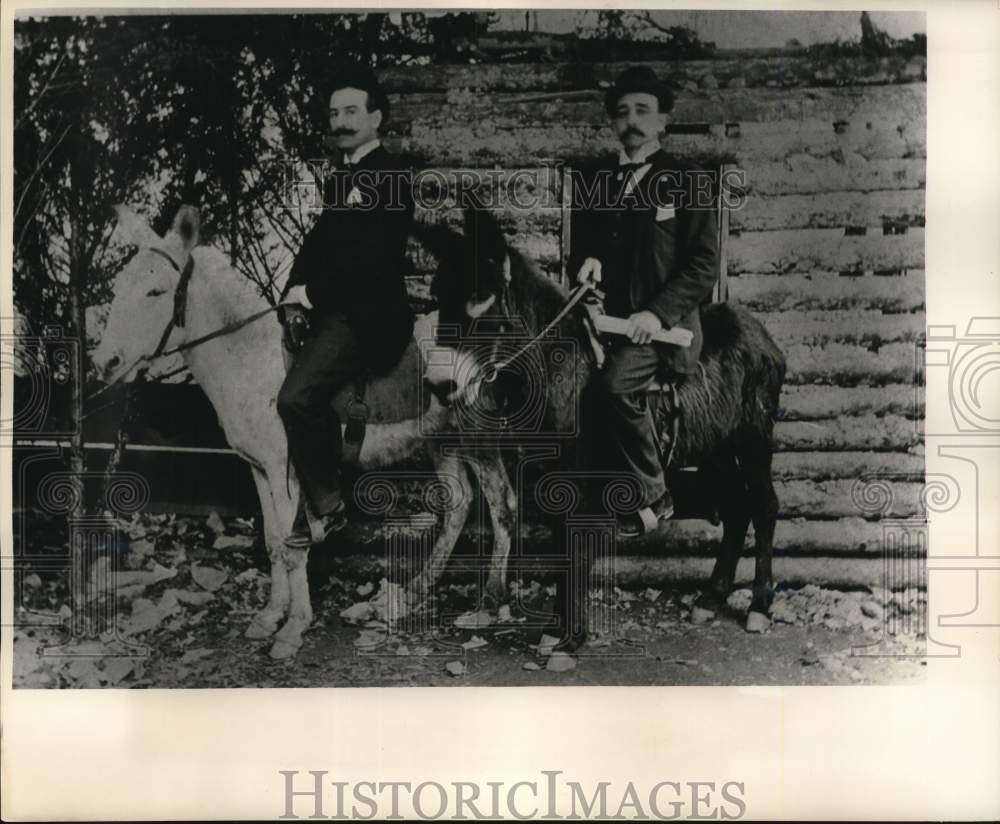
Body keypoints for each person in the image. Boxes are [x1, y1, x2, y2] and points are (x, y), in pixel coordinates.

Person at [570, 65, 720, 538]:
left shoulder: (688, 178)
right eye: (621, 112)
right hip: (605, 325)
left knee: (614, 388)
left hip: (665, 332)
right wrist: (587, 262)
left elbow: (703, 264)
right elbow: (584, 248)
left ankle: (655, 495)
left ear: (663, 120)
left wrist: (656, 313)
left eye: (642, 110)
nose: (631, 120)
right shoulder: (596, 180)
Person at [277, 66, 415, 548]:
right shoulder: (342, 179)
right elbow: (317, 245)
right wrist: (292, 291)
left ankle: (328, 506)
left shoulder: (392, 176)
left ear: (377, 118)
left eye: (351, 112)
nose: (340, 122)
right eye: (334, 114)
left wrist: (312, 296)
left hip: (369, 317)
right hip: (335, 309)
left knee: (295, 398)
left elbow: (370, 261)